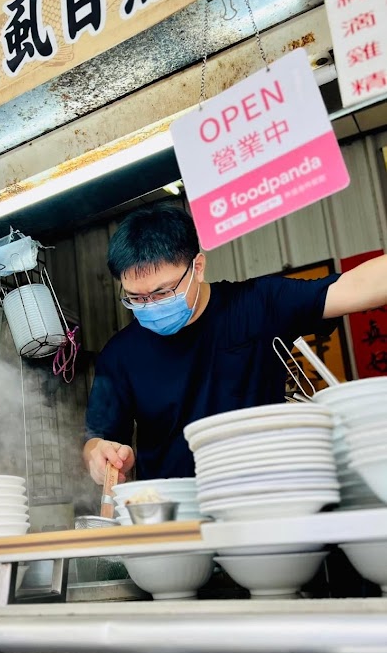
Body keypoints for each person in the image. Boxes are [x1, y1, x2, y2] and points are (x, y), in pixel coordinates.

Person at [84, 201, 387, 485]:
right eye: (136, 298)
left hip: (269, 499)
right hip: (175, 515)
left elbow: (356, 286)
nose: (150, 305)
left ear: (197, 267)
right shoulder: (120, 354)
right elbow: (98, 439)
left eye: (162, 293)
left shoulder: (258, 304)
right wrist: (99, 456)